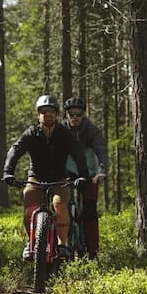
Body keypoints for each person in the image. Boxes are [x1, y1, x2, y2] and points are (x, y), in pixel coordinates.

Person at [3, 94, 90, 260]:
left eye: (51, 111)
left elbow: (78, 153)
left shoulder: (64, 133)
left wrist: (83, 176)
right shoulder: (31, 133)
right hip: (36, 178)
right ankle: (30, 244)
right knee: (29, 203)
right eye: (44, 111)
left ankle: (62, 244)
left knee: (59, 204)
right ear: (38, 115)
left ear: (56, 114)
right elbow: (15, 150)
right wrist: (8, 172)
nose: (47, 114)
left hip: (59, 179)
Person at [62, 96, 108, 259]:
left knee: (90, 211)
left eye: (79, 114)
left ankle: (92, 251)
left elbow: (101, 150)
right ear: (66, 114)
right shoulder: (61, 129)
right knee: (61, 208)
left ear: (84, 115)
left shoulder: (91, 130)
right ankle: (61, 248)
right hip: (67, 172)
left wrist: (101, 171)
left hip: (90, 173)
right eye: (71, 114)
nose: (75, 117)